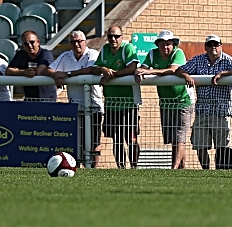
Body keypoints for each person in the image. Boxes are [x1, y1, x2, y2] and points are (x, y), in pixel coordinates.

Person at [174, 34, 232, 169]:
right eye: (210, 45)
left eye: (216, 44)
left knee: (222, 146)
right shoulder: (198, 60)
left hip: (221, 110)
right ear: (205, 47)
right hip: (202, 110)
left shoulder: (227, 60)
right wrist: (186, 76)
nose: (213, 47)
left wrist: (223, 74)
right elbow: (179, 70)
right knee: (200, 145)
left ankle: (220, 170)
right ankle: (206, 171)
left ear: (221, 46)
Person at [135, 30, 192, 169]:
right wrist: (139, 72)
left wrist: (150, 71)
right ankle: (180, 168)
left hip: (182, 101)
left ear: (173, 45)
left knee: (180, 139)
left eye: (168, 44)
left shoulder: (178, 53)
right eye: (162, 44)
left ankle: (174, 168)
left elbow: (172, 69)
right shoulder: (152, 54)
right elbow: (143, 67)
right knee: (174, 140)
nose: (165, 47)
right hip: (166, 103)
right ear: (158, 45)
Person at [47, 31, 101, 167]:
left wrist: (67, 74)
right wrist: (57, 76)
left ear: (85, 42)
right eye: (73, 42)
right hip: (75, 107)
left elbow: (91, 69)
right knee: (79, 142)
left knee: (94, 142)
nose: (77, 44)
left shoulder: (92, 53)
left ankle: (94, 171)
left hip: (94, 106)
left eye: (79, 41)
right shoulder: (66, 56)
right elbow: (50, 69)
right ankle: (80, 169)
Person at [91, 26, 140, 169]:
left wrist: (111, 76)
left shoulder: (128, 48)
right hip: (111, 103)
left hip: (128, 103)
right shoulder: (105, 50)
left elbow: (132, 68)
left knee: (131, 139)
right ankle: (121, 168)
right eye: (110, 36)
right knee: (117, 139)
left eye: (116, 36)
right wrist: (103, 70)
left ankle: (134, 168)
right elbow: (94, 68)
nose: (113, 39)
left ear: (122, 37)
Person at [6, 31, 55, 100]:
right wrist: (23, 72)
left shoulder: (46, 53)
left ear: (38, 42)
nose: (29, 45)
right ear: (22, 45)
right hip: (29, 99)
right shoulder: (21, 54)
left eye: (32, 42)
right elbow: (8, 71)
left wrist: (22, 72)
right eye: (26, 43)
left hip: (47, 99)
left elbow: (39, 71)